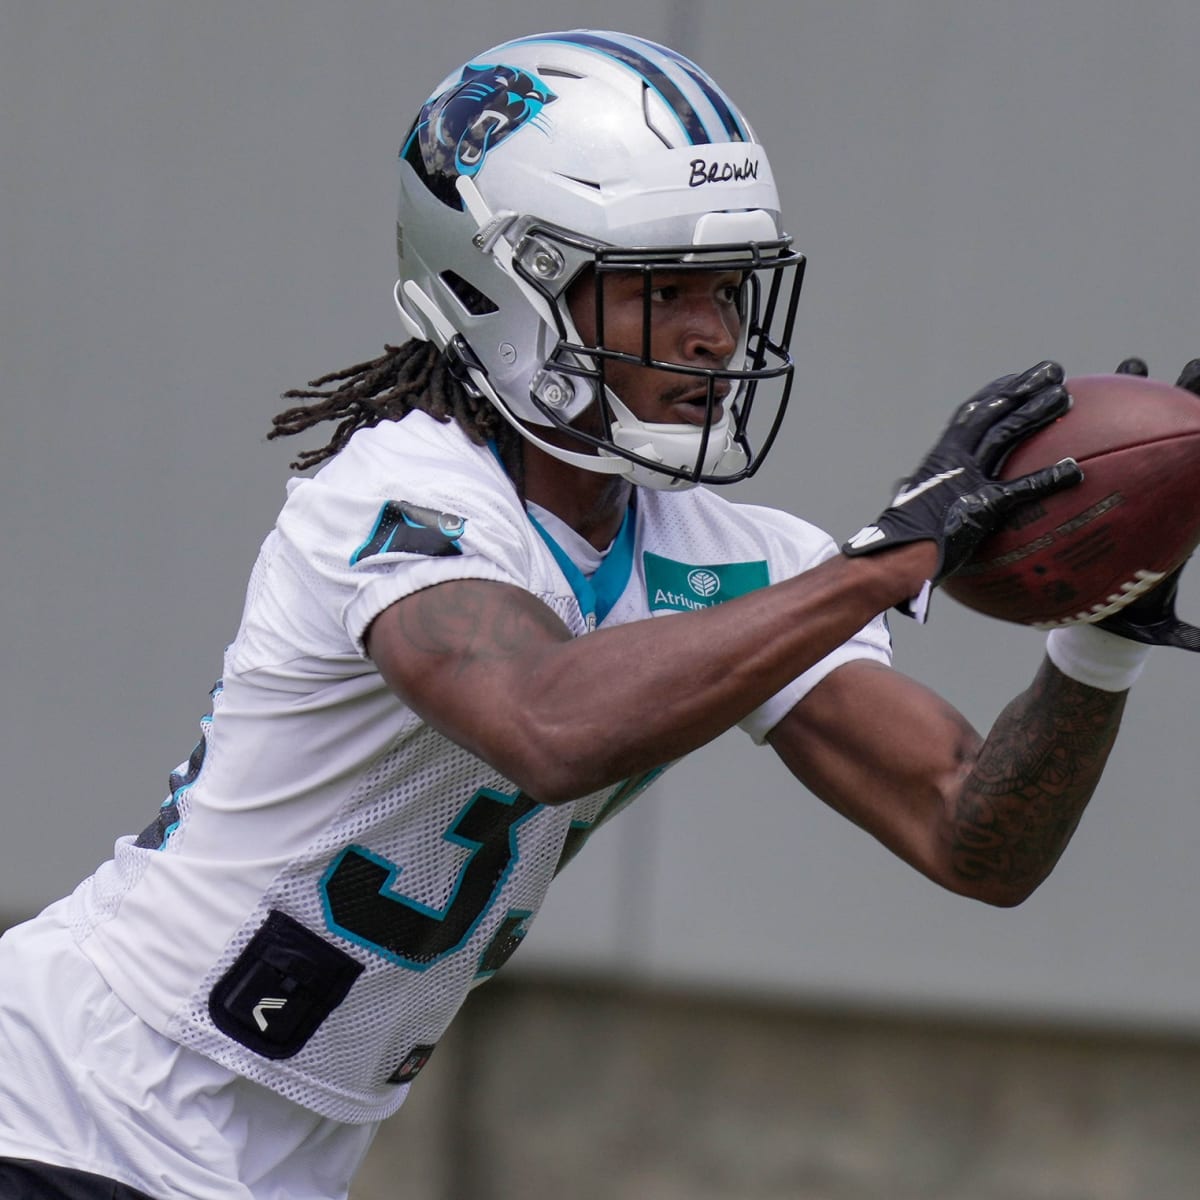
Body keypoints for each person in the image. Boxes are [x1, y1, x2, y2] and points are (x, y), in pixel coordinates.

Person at [0, 28, 1196, 1200]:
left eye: (727, 289)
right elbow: (545, 725)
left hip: (260, 1155)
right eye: (660, 289)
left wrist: (1095, 646)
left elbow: (970, 836)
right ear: (501, 288)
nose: (712, 334)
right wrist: (886, 564)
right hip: (73, 1100)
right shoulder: (392, 489)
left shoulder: (752, 562)